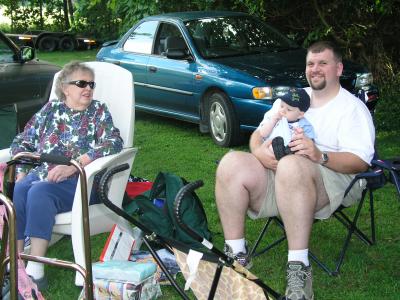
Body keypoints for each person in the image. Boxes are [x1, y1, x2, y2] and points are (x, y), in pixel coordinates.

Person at [215, 41, 375, 300]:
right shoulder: (291, 99)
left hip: (333, 178)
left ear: (338, 68)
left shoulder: (352, 108)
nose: (315, 69)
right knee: (230, 163)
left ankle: (298, 269)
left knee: (291, 164)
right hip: (282, 175)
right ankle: (236, 257)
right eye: (311, 64)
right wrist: (258, 153)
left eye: (323, 63)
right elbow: (258, 134)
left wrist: (318, 155)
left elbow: (360, 162)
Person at [9, 61, 123, 289]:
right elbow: (22, 141)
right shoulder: (51, 110)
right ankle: (17, 261)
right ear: (65, 87)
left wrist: (75, 165)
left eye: (91, 84)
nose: (88, 88)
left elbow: (114, 141)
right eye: (81, 83)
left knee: (40, 192)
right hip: (44, 173)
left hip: (82, 181)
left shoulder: (97, 111)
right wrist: (21, 171)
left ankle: (36, 268)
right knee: (21, 188)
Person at [258, 88, 315, 160]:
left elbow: (309, 146)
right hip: (270, 151)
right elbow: (263, 134)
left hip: (292, 157)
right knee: (273, 145)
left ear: (300, 114)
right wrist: (273, 120)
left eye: (289, 109)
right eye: (281, 106)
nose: (283, 111)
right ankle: (279, 152)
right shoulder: (275, 118)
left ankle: (286, 153)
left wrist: (301, 137)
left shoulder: (305, 125)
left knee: (297, 151)